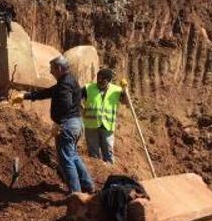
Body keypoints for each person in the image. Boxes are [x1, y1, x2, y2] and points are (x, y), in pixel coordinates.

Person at [12, 56, 95, 194]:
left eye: (52, 69)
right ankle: (88, 185)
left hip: (67, 125)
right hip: (77, 123)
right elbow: (48, 92)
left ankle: (76, 194)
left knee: (66, 160)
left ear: (60, 68)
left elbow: (65, 105)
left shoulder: (65, 84)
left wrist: (59, 123)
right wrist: (26, 96)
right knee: (72, 155)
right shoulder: (68, 81)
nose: (51, 72)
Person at [82, 68, 128, 164]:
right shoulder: (88, 88)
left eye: (102, 80)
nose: (99, 81)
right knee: (93, 154)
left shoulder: (117, 90)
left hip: (107, 126)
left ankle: (110, 172)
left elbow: (126, 102)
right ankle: (98, 174)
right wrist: (81, 108)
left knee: (108, 152)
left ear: (109, 80)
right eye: (98, 79)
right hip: (91, 126)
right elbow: (76, 98)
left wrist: (125, 91)